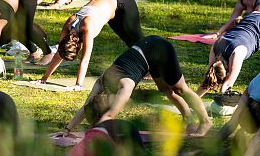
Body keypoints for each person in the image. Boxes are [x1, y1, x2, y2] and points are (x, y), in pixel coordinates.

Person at [62, 35, 212, 136]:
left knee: (180, 89)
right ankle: (187, 117)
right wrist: (68, 128)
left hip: (159, 49)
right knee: (165, 90)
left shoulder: (124, 87)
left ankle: (206, 122)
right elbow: (86, 105)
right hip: (147, 52)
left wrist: (93, 135)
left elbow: (110, 116)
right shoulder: (102, 81)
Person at [39, 0, 143, 89]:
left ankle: (152, 69)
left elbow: (85, 60)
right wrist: (44, 78)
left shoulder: (87, 28)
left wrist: (78, 85)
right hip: (107, 0)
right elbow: (59, 53)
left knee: (139, 40)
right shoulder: (68, 25)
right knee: (127, 39)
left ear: (79, 46)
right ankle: (145, 66)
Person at [198, 11, 260, 97]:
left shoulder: (237, 53)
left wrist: (223, 97)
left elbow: (228, 84)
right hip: (256, 22)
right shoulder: (215, 48)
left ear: (226, 67)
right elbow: (209, 79)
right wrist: (194, 97)